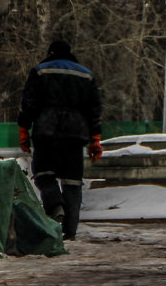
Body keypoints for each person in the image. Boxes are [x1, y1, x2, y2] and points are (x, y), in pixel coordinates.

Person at [17, 39, 103, 240]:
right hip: (76, 134)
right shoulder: (86, 74)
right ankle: (70, 232)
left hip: (45, 132)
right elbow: (94, 109)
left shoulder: (39, 71)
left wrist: (23, 130)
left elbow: (28, 103)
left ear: (51, 52)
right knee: (73, 182)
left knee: (44, 175)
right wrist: (95, 140)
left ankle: (55, 206)